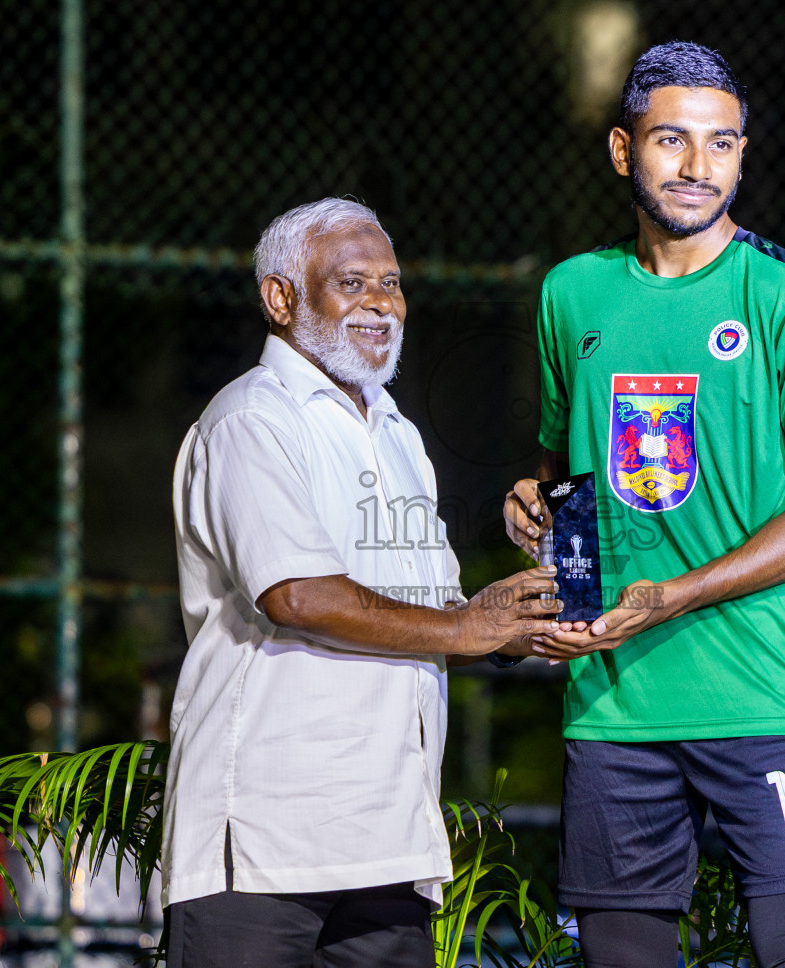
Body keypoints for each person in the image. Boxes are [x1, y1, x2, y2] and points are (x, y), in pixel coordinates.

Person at [502, 42, 785, 968]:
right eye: (673, 139)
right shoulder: (572, 292)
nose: (699, 166)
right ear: (624, 151)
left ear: (743, 155)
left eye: (722, 144)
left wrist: (673, 594)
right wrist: (535, 517)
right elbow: (571, 476)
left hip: (762, 695)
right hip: (614, 707)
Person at [163, 198, 555, 968]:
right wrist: (465, 628)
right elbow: (297, 596)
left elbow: (435, 618)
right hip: (264, 846)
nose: (382, 302)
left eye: (393, 282)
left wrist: (517, 627)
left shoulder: (398, 433)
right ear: (281, 298)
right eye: (352, 282)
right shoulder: (250, 419)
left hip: (389, 845)